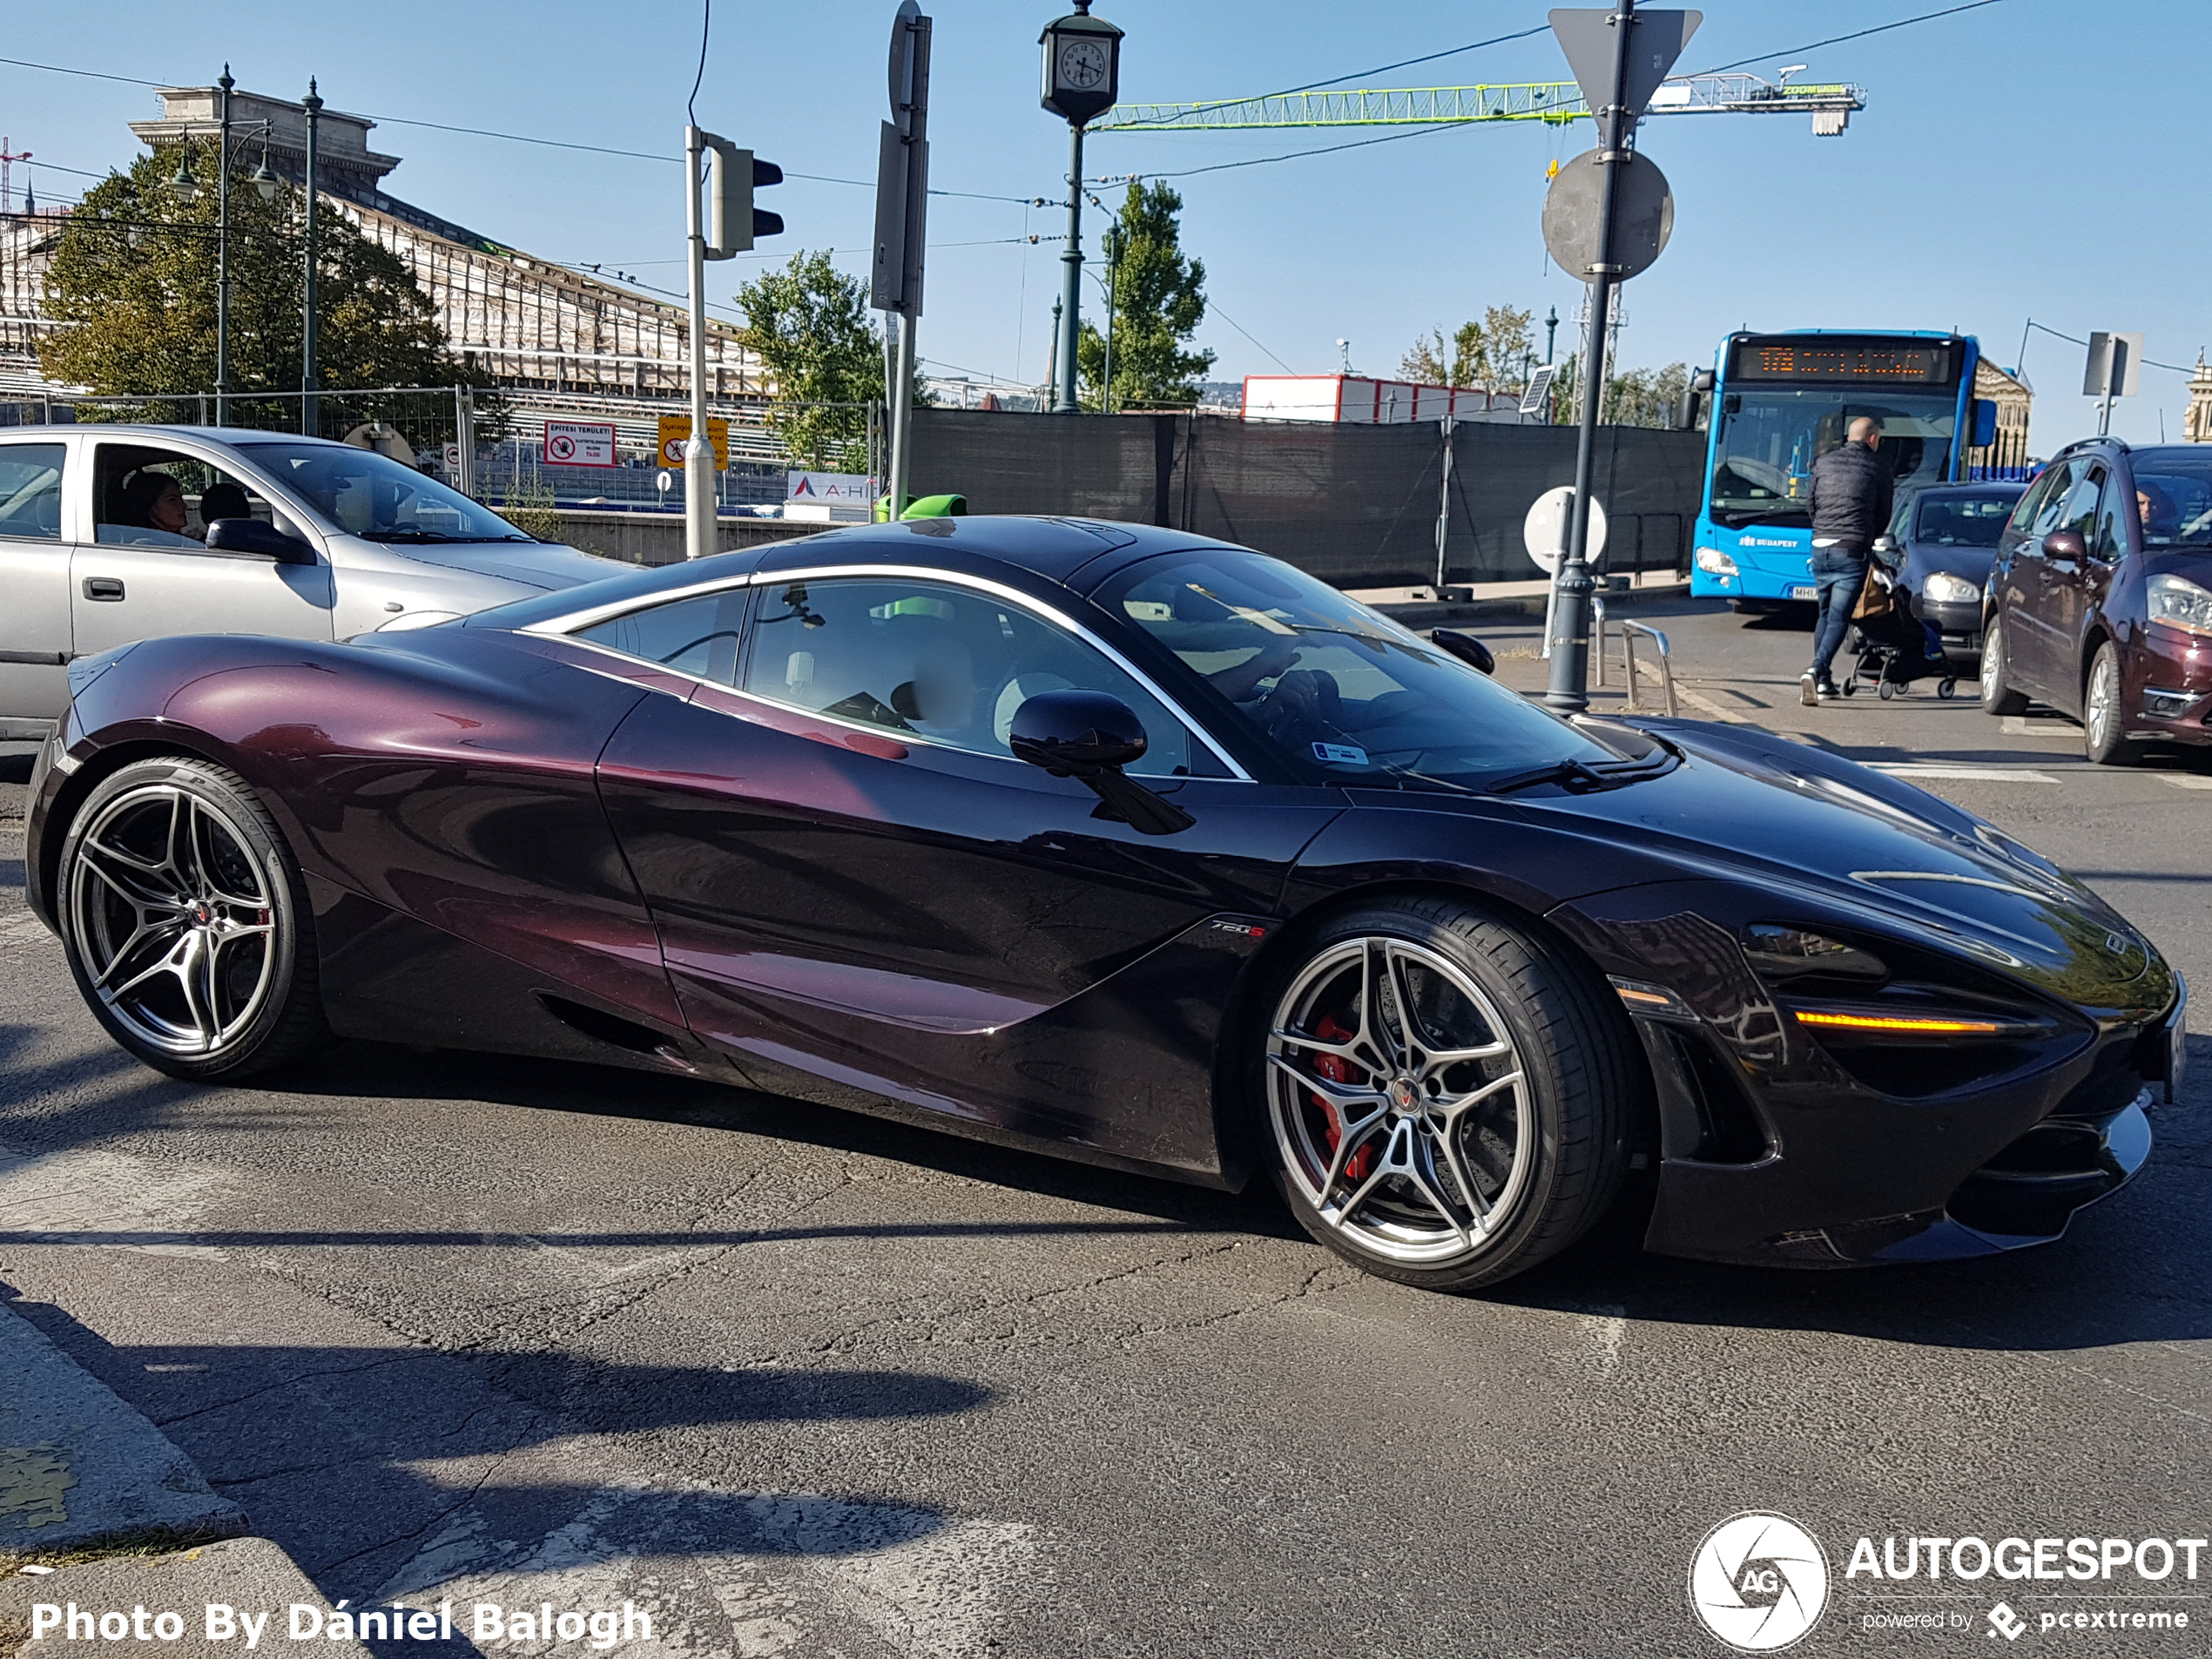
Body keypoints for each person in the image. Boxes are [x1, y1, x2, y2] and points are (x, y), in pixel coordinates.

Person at [1801, 415, 1894, 705]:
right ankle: (1816, 670)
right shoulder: (1878, 467)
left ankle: (1824, 682)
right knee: (1840, 617)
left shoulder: (1823, 463)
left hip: (1820, 545)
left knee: (1825, 614)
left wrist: (1822, 529)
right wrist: (1868, 537)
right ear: (1873, 439)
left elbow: (1811, 503)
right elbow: (1883, 513)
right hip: (1851, 548)